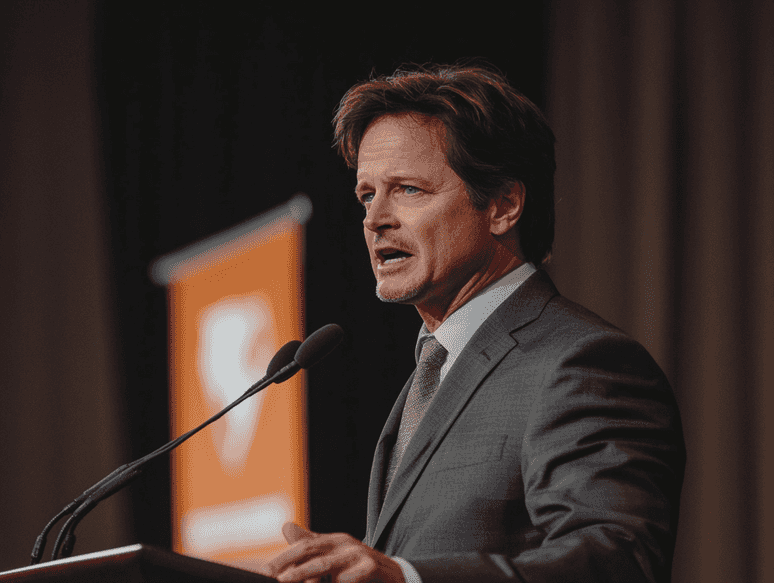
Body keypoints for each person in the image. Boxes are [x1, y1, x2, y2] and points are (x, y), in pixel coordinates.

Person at [262, 63, 686, 583]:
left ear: (504, 204)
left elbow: (619, 560)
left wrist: (408, 579)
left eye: (409, 190)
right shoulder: (436, 369)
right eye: (367, 195)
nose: (375, 220)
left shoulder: (581, 364)